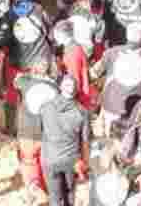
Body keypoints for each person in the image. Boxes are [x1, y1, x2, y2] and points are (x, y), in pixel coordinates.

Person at [39, 75, 89, 206]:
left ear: (60, 87)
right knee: (70, 195)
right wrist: (85, 165)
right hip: (71, 161)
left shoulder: (45, 107)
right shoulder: (82, 112)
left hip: (49, 159)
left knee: (54, 197)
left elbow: (39, 131)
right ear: (76, 90)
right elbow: (85, 142)